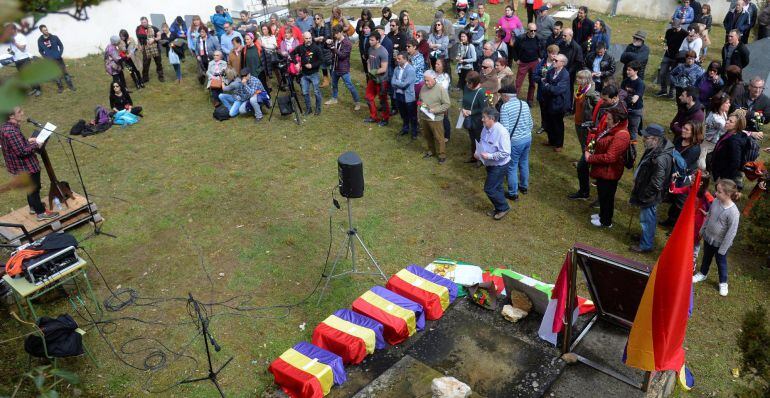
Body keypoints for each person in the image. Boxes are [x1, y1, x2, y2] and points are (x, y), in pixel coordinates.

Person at [0, 107, 59, 220]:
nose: (23, 113)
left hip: (18, 166)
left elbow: (15, 146)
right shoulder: (11, 132)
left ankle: (33, 207)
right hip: (25, 166)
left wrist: (27, 141)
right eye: (19, 112)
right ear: (11, 116)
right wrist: (37, 144)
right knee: (34, 189)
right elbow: (22, 151)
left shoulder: (6, 127)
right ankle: (41, 213)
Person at [629, 124, 675, 253]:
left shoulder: (660, 158)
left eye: (646, 137)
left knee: (647, 218)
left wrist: (645, 194)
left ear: (655, 139)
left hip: (650, 194)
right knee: (649, 217)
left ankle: (646, 245)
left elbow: (657, 182)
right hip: (648, 191)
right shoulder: (655, 148)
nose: (643, 139)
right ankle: (646, 237)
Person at [692, 178, 741, 296]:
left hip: (721, 244)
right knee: (706, 257)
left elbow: (731, 232)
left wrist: (723, 248)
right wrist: (703, 229)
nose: (715, 193)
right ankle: (703, 273)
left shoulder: (733, 212)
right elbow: (709, 216)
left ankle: (723, 282)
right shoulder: (715, 202)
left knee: (721, 263)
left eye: (719, 192)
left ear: (728, 194)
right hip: (709, 238)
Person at [585, 108, 631, 228]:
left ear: (617, 121)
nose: (607, 121)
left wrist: (591, 158)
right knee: (602, 194)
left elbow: (610, 157)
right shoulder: (613, 129)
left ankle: (606, 221)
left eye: (609, 119)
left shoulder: (621, 135)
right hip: (604, 170)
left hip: (610, 172)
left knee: (607, 197)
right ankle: (602, 215)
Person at [659, 120, 703, 227]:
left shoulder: (695, 148)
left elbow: (683, 165)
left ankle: (677, 225)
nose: (683, 130)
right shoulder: (680, 139)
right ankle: (670, 220)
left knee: (680, 202)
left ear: (694, 133)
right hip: (675, 174)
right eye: (683, 127)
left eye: (686, 129)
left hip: (684, 178)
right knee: (673, 197)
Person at [476, 107, 512, 220]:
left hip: (499, 166)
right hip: (489, 164)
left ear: (492, 119)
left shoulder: (501, 132)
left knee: (489, 189)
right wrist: (477, 152)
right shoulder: (485, 128)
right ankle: (499, 207)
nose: (482, 119)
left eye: (484, 118)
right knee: (497, 187)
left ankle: (503, 207)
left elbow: (506, 152)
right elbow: (482, 141)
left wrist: (490, 156)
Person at [499, 85, 534, 201]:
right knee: (524, 162)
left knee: (512, 167)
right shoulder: (524, 104)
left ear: (505, 96)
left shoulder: (505, 107)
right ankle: (524, 187)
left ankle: (513, 193)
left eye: (501, 96)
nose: (501, 98)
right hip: (527, 138)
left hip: (515, 142)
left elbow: (505, 129)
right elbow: (530, 123)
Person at [326, 25, 361, 110]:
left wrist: (334, 48)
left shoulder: (347, 43)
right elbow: (330, 50)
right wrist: (328, 44)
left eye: (336, 34)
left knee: (350, 86)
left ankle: (357, 102)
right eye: (334, 34)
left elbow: (342, 56)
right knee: (334, 84)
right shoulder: (335, 40)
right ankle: (334, 98)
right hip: (334, 67)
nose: (335, 36)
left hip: (343, 68)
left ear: (341, 32)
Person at [419, 70, 451, 163]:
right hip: (424, 117)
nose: (426, 82)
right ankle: (431, 151)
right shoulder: (423, 87)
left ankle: (442, 155)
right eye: (425, 80)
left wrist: (435, 110)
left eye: (428, 80)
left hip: (436, 118)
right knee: (427, 136)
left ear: (434, 79)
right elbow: (420, 100)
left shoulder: (441, 89)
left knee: (439, 137)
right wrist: (419, 114)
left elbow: (447, 104)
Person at [541, 54, 571, 151]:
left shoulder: (565, 75)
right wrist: (547, 85)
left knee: (558, 124)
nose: (553, 61)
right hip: (549, 101)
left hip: (559, 104)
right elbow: (545, 81)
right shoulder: (551, 71)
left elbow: (557, 90)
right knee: (549, 122)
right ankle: (551, 140)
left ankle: (559, 144)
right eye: (553, 60)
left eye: (556, 60)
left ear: (562, 63)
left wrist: (547, 86)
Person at [709, 109, 748, 183]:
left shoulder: (734, 141)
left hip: (724, 175)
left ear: (738, 125)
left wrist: (723, 177)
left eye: (731, 121)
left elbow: (735, 163)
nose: (727, 122)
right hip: (719, 170)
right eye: (727, 120)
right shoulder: (728, 134)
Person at [290, 32, 323, 116]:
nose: (308, 40)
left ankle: (318, 109)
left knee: (316, 92)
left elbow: (321, 60)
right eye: (306, 38)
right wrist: (296, 63)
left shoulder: (316, 48)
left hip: (314, 73)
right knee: (305, 92)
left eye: (310, 38)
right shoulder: (300, 47)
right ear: (303, 38)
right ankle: (309, 109)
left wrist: (312, 65)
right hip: (304, 74)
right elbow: (292, 53)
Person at [362, 31, 390, 125]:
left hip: (382, 80)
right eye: (369, 39)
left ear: (378, 40)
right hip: (372, 79)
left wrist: (373, 72)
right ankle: (373, 117)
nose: (370, 41)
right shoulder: (370, 49)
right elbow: (369, 61)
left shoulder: (383, 51)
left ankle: (385, 119)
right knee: (368, 97)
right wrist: (369, 70)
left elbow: (384, 68)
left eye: (372, 40)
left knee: (383, 101)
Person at [37, 25, 75, 93]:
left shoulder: (54, 37)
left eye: (46, 29)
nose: (46, 31)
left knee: (64, 72)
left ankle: (71, 86)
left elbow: (61, 46)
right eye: (44, 30)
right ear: (41, 31)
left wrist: (59, 54)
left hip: (58, 58)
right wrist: (46, 57)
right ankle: (60, 87)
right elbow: (40, 50)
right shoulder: (40, 41)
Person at [656, 20, 688, 98]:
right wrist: (665, 45)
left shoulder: (685, 34)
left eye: (676, 27)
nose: (674, 29)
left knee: (674, 75)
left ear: (680, 26)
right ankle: (663, 90)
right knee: (662, 73)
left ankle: (671, 92)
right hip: (667, 55)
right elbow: (666, 41)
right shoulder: (669, 31)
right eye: (673, 27)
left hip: (677, 57)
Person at [513, 23, 542, 106]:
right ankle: (514, 99)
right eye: (531, 30)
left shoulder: (538, 38)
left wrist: (540, 57)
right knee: (518, 82)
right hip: (523, 63)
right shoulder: (520, 38)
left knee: (532, 82)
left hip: (534, 62)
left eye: (535, 30)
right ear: (527, 30)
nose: (533, 32)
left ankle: (530, 100)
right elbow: (514, 48)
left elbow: (541, 48)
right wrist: (516, 59)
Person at [533, 45, 560, 135]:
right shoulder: (541, 63)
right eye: (552, 54)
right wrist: (540, 79)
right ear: (548, 53)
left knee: (551, 112)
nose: (554, 56)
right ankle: (544, 126)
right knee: (543, 111)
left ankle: (551, 128)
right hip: (542, 92)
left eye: (556, 54)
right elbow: (534, 75)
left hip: (552, 93)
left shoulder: (558, 64)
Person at [701, 93, 731, 170]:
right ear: (720, 104)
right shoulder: (717, 119)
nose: (729, 105)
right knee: (702, 166)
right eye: (727, 103)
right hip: (710, 145)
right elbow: (731, 129)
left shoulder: (722, 113)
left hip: (715, 142)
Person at [462, 71, 487, 163]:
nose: (467, 84)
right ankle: (473, 156)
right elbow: (464, 99)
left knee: (478, 139)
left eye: (469, 82)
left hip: (477, 120)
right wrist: (463, 109)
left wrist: (471, 112)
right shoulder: (466, 87)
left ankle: (480, 159)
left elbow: (483, 109)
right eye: (467, 82)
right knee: (472, 138)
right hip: (467, 117)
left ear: (475, 82)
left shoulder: (481, 92)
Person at [391, 52, 418, 139]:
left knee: (412, 116)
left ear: (405, 59)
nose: (397, 60)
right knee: (403, 114)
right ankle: (405, 128)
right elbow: (392, 82)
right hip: (398, 95)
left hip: (408, 97)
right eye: (397, 58)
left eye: (399, 59)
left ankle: (414, 132)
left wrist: (397, 83)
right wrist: (399, 83)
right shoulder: (396, 69)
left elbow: (405, 85)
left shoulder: (410, 70)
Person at [9, 24, 40, 96]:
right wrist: (11, 52)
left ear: (15, 29)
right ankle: (33, 89)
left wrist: (14, 42)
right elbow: (13, 49)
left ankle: (38, 89)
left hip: (24, 59)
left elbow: (22, 48)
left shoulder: (21, 37)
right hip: (17, 60)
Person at [574, 70, 600, 152]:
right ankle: (584, 161)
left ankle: (586, 162)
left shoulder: (591, 93)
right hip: (578, 120)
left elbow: (600, 105)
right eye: (577, 77)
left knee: (588, 145)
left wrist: (594, 121)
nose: (577, 79)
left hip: (586, 123)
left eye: (580, 78)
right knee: (582, 144)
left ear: (587, 79)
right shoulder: (579, 89)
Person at [621, 60, 645, 140]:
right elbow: (620, 95)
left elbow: (634, 99)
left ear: (636, 71)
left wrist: (624, 98)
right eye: (627, 70)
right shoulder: (625, 81)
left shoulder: (640, 83)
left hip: (635, 111)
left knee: (633, 133)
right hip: (625, 109)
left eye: (629, 70)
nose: (627, 72)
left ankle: (633, 150)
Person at [136, 17, 164, 83]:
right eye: (142, 22)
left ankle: (161, 76)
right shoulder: (139, 29)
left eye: (144, 22)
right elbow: (139, 39)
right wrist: (140, 46)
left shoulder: (154, 28)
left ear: (147, 21)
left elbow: (159, 37)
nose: (143, 24)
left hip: (155, 47)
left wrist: (153, 39)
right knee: (145, 64)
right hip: (146, 48)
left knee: (158, 62)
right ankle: (145, 78)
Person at [559, 28, 584, 98]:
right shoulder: (561, 44)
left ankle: (568, 106)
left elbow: (578, 62)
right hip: (560, 70)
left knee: (568, 89)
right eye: (562, 35)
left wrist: (569, 71)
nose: (563, 37)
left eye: (565, 36)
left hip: (569, 73)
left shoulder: (576, 47)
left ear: (570, 36)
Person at [311, 13, 332, 89]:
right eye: (315, 19)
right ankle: (326, 80)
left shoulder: (325, 26)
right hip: (318, 49)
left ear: (321, 19)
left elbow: (327, 36)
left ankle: (333, 80)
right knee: (323, 65)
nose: (316, 20)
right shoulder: (313, 28)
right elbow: (312, 37)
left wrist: (322, 38)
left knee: (329, 64)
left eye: (318, 18)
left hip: (326, 48)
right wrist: (316, 39)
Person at [433, 58, 452, 141]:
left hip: (442, 101)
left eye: (438, 64)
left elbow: (443, 88)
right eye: (436, 64)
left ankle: (446, 135)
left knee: (444, 118)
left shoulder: (445, 77)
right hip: (433, 99)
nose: (435, 65)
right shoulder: (432, 74)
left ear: (443, 67)